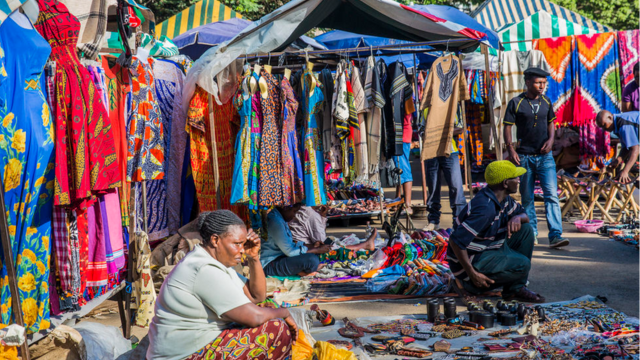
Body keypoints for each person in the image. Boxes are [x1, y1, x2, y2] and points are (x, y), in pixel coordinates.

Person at [147, 210, 297, 360]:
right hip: (182, 355)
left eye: (243, 245)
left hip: (195, 345)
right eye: (237, 244)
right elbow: (254, 317)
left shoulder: (213, 263)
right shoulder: (203, 268)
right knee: (276, 329)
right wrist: (285, 312)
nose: (242, 251)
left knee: (268, 306)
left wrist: (254, 258)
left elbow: (257, 296)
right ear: (215, 240)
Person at [447, 161, 545, 303]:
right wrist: (471, 273)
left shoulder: (504, 199)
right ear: (506, 183)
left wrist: (518, 217)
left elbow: (525, 216)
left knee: (526, 230)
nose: (518, 180)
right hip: (473, 257)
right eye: (515, 178)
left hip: (489, 246)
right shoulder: (485, 209)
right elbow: (455, 242)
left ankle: (515, 289)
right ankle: (467, 285)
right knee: (522, 265)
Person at [503, 67, 569, 249]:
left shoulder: (547, 102)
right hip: (523, 156)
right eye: (538, 82)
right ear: (528, 82)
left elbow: (551, 123)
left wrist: (551, 139)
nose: (542, 86)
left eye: (544, 83)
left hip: (545, 157)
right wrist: (511, 149)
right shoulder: (516, 102)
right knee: (527, 197)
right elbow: (507, 127)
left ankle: (555, 235)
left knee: (551, 196)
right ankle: (531, 234)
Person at [261, 204, 332, 277]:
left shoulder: (279, 218)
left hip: (281, 257)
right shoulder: (276, 222)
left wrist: (312, 246)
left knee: (313, 256)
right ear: (285, 208)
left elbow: (290, 244)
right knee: (312, 260)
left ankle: (301, 271)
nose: (294, 215)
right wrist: (316, 249)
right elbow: (290, 251)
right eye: (294, 212)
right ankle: (302, 272)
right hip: (269, 264)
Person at [424, 131, 467, 230]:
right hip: (431, 151)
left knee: (456, 187)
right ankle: (433, 221)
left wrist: (445, 129)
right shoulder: (425, 114)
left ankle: (458, 221)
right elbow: (422, 129)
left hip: (450, 151)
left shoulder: (451, 114)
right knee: (433, 187)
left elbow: (460, 128)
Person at [288, 205, 377, 252]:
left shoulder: (306, 211)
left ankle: (361, 245)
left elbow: (318, 234)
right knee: (333, 248)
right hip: (307, 249)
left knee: (334, 244)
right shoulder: (309, 213)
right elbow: (321, 240)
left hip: (304, 246)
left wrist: (322, 217)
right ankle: (362, 246)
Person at [595, 110, 639, 184]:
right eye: (601, 127)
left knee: (633, 174)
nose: (604, 129)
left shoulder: (623, 124)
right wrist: (617, 161)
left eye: (604, 125)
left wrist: (625, 171)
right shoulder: (618, 124)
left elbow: (635, 149)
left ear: (610, 117)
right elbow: (626, 148)